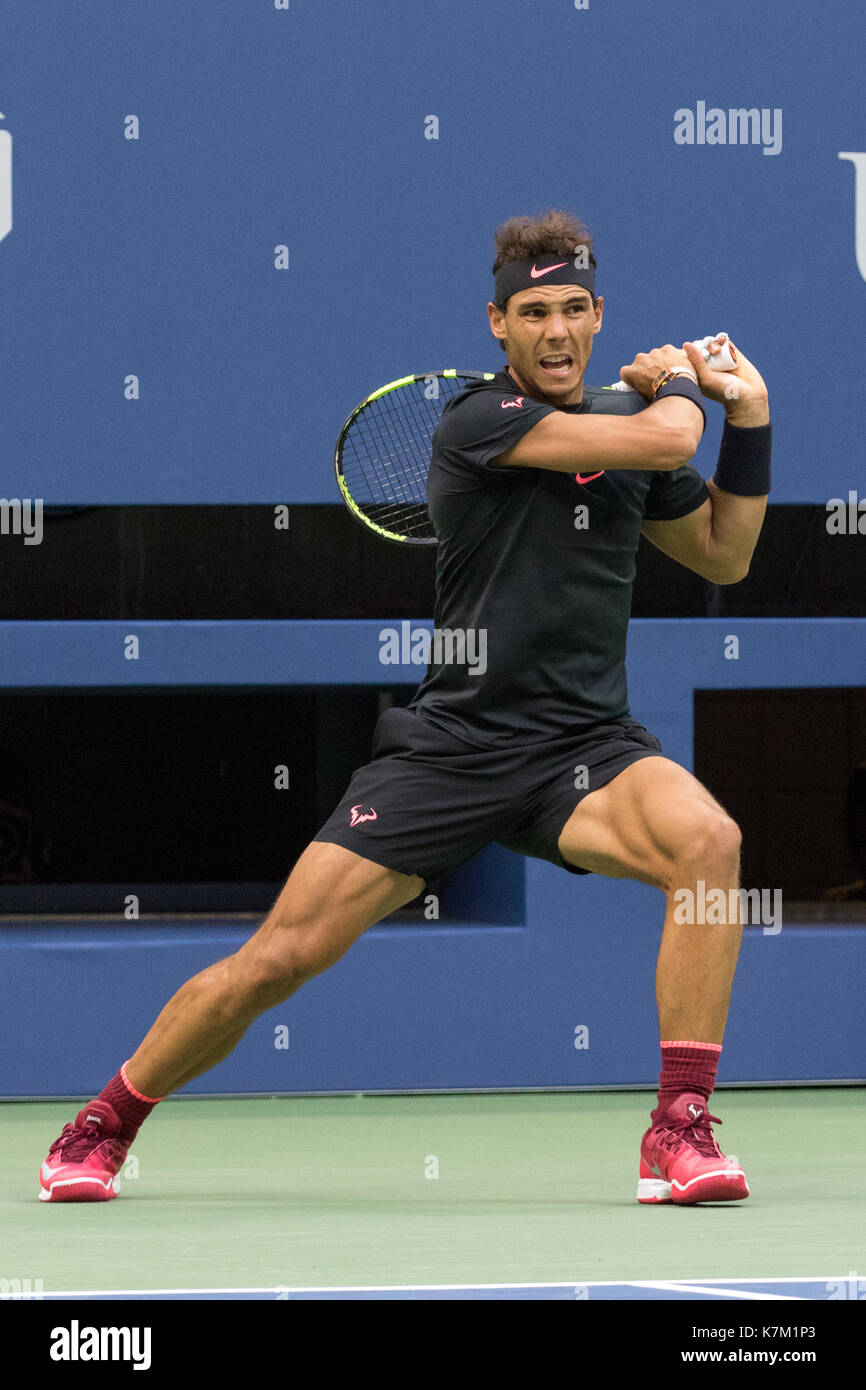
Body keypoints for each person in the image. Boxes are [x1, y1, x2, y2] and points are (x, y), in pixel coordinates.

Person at [39, 209, 771, 1206]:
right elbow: (662, 428)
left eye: (570, 309)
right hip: (450, 749)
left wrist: (754, 420)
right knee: (278, 960)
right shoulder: (478, 420)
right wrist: (683, 387)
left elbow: (725, 550)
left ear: (596, 315)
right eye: (531, 313)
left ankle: (676, 1129)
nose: (554, 331)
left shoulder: (627, 441)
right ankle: (103, 1124)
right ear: (496, 325)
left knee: (708, 842)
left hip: (583, 749)